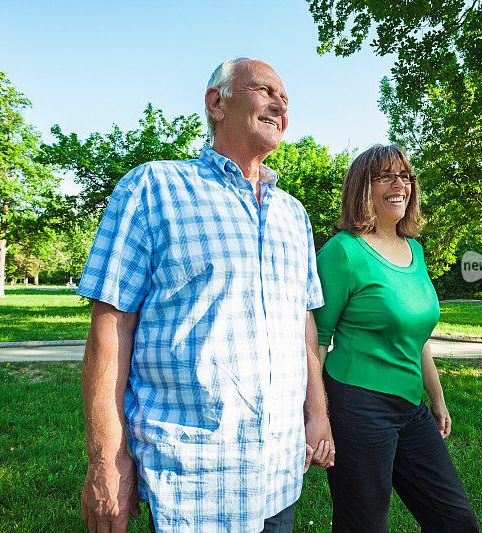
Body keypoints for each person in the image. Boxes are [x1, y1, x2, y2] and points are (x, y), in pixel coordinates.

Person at [77, 58, 334, 533]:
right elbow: (110, 328)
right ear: (218, 102)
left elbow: (302, 321)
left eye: (286, 99)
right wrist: (107, 461)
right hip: (191, 483)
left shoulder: (293, 215)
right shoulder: (152, 188)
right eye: (264, 90)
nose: (279, 104)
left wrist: (316, 414)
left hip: (279, 474)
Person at [313, 145, 478, 532]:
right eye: (386, 176)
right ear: (362, 188)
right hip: (357, 407)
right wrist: (314, 415)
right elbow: (316, 341)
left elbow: (418, 339)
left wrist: (436, 399)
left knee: (456, 521)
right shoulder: (342, 251)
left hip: (410, 407)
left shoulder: (415, 250)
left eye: (405, 176)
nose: (399, 184)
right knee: (364, 525)